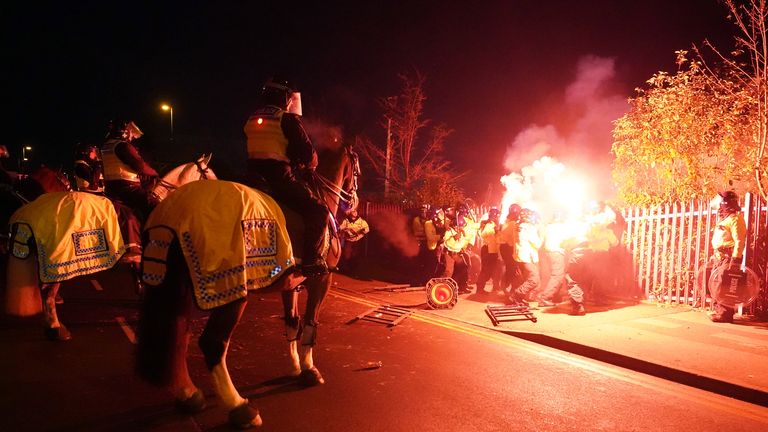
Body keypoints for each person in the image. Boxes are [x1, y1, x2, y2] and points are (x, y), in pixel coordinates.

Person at [243, 78, 330, 277]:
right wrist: (308, 163)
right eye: (289, 99)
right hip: (277, 180)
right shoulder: (286, 118)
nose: (290, 103)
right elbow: (308, 154)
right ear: (284, 98)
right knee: (319, 210)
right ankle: (311, 259)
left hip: (251, 177)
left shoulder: (251, 118)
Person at [101, 120, 160, 223]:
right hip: (128, 189)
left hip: (110, 188)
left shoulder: (105, 146)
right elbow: (140, 166)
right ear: (125, 132)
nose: (132, 138)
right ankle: (150, 233)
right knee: (155, 205)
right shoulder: (123, 146)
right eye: (131, 134)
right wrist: (154, 173)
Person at [708, 190, 747, 323]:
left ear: (725, 202)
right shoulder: (726, 218)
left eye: (720, 201)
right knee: (717, 283)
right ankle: (719, 311)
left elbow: (739, 240)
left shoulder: (736, 219)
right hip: (720, 255)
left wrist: (735, 259)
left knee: (725, 284)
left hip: (729, 256)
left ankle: (725, 314)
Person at [508, 208, 543, 305]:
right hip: (527, 257)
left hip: (519, 256)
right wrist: (542, 236)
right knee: (534, 280)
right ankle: (516, 295)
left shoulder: (517, 226)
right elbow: (537, 244)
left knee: (523, 278)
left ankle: (518, 298)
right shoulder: (529, 228)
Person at [474, 207, 502, 296]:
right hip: (488, 250)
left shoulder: (493, 224)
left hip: (493, 251)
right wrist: (495, 230)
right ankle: (479, 289)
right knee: (486, 271)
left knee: (490, 270)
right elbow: (483, 234)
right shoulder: (489, 225)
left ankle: (483, 287)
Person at [440, 216, 471, 294]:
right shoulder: (449, 232)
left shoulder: (461, 232)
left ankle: (462, 286)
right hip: (450, 253)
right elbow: (447, 242)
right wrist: (453, 238)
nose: (462, 227)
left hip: (458, 253)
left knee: (463, 268)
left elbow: (462, 243)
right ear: (456, 226)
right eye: (461, 226)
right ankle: (444, 288)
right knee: (449, 271)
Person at [499, 203, 522, 294]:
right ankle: (508, 288)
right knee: (512, 268)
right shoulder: (512, 224)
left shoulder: (507, 222)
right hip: (508, 248)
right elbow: (512, 239)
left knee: (510, 268)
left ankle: (506, 286)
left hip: (505, 247)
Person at [339, 208, 370, 276]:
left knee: (355, 256)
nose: (354, 212)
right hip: (348, 241)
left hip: (358, 241)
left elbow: (367, 229)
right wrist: (345, 232)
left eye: (355, 211)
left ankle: (353, 271)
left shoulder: (361, 221)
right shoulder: (346, 221)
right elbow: (340, 228)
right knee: (347, 255)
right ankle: (346, 269)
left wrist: (360, 232)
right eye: (353, 211)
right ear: (349, 213)